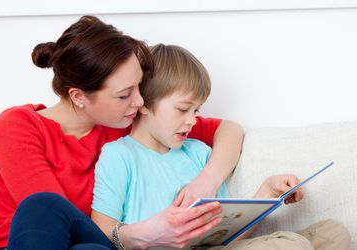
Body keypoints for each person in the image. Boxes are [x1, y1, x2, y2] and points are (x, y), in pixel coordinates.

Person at [0, 16, 244, 250]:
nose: (140, 101)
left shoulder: (125, 122)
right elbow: (53, 216)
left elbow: (228, 130)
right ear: (78, 96)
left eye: (138, 87)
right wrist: (143, 234)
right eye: (124, 95)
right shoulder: (19, 125)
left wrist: (207, 181)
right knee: (42, 205)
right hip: (32, 241)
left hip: (96, 244)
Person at [91, 44, 351, 250]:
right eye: (183, 109)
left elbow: (228, 233)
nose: (192, 120)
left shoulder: (199, 154)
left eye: (196, 110)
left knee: (333, 233)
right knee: (291, 245)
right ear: (143, 102)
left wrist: (267, 192)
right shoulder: (119, 156)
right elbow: (102, 235)